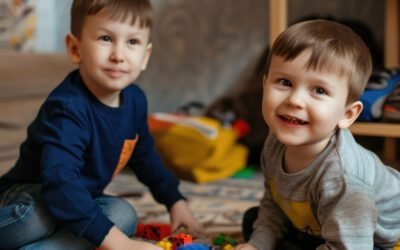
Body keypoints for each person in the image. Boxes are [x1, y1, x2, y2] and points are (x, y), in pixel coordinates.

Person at [0, 0, 202, 249]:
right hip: (31, 195)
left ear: (145, 56)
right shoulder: (67, 108)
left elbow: (145, 156)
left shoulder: (136, 101)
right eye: (106, 38)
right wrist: (122, 245)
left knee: (122, 215)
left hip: (79, 200)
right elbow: (60, 185)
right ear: (75, 48)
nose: (119, 55)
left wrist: (175, 201)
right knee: (37, 219)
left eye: (132, 42)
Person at [234, 20, 400, 250]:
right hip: (325, 225)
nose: (295, 100)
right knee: (254, 221)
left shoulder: (344, 178)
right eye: (285, 82)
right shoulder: (274, 143)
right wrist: (256, 245)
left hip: (369, 239)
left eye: (319, 90)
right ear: (265, 85)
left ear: (348, 114)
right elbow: (275, 204)